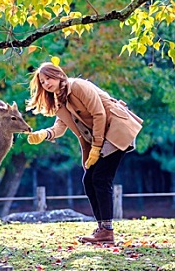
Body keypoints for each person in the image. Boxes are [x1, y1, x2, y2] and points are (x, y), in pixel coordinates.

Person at [26, 62, 143, 244]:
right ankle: (102, 229)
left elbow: (99, 114)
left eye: (48, 78)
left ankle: (107, 230)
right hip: (101, 137)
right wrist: (45, 134)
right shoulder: (59, 99)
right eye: (42, 82)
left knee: (100, 179)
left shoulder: (78, 86)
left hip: (116, 130)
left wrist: (96, 148)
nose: (46, 83)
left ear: (58, 75)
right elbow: (61, 126)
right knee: (89, 180)